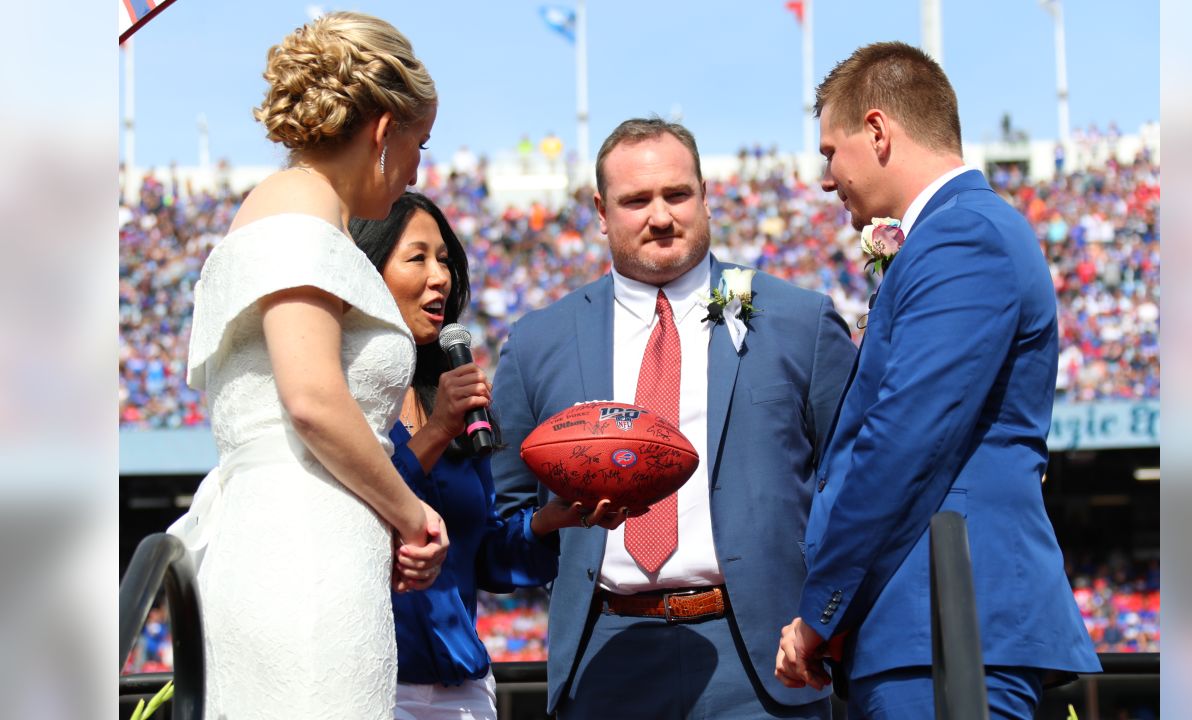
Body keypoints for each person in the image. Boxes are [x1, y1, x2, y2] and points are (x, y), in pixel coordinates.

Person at [775, 42, 1101, 719]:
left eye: (830, 153)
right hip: (923, 623)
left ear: (877, 132)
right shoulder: (954, 236)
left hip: (946, 621)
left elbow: (902, 441)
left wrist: (820, 610)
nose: (827, 180)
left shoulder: (962, 238)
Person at [491, 117, 856, 719]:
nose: (660, 216)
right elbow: (504, 524)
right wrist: (551, 523)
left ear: (706, 196)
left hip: (761, 661)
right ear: (601, 212)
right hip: (604, 657)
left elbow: (850, 490)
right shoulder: (537, 344)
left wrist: (824, 622)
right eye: (636, 200)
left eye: (677, 195)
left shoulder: (799, 322)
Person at [177, 12, 448, 718]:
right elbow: (312, 398)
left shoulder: (294, 210)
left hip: (299, 545)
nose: (420, 169)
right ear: (384, 130)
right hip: (302, 557)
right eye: (420, 144)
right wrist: (411, 512)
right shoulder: (299, 208)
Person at [350, 192, 613, 720]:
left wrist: (546, 523)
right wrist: (434, 434)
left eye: (445, 260)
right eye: (418, 257)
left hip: (465, 691)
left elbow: (486, 555)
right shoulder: (340, 397)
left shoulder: (455, 398)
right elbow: (353, 522)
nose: (440, 277)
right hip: (369, 686)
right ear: (367, 269)